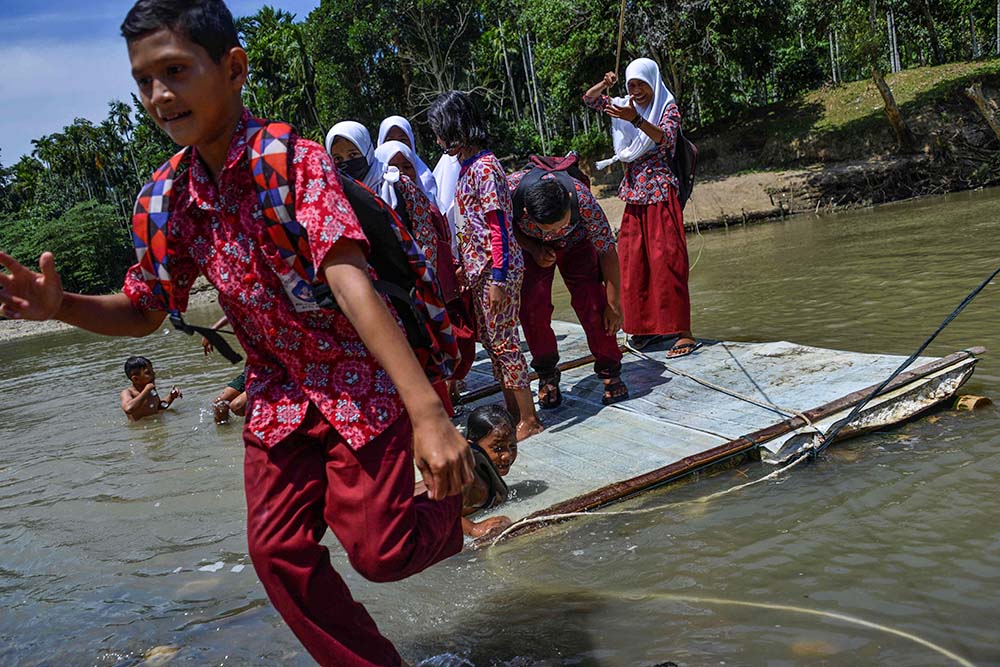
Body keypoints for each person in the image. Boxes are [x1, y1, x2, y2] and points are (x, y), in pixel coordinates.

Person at [0, 2, 473, 665]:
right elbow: (145, 308)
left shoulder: (292, 162)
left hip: (359, 375)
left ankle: (462, 490)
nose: (160, 95)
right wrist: (62, 304)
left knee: (382, 552)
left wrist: (428, 412)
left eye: (175, 70)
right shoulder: (167, 200)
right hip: (278, 393)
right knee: (277, 552)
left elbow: (348, 281)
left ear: (233, 69)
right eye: (143, 80)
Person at [427, 90, 543, 441]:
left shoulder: (485, 167)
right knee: (492, 344)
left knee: (505, 343)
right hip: (480, 270)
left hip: (497, 270)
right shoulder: (466, 168)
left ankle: (529, 417)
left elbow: (499, 227)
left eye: (441, 131)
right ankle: (512, 411)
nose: (438, 139)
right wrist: (465, 265)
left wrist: (497, 276)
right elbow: (470, 224)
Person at [583, 58, 700, 357]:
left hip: (661, 194)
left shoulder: (667, 108)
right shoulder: (624, 104)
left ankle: (682, 332)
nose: (636, 91)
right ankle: (645, 330)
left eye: (641, 85)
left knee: (667, 261)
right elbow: (590, 99)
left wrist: (635, 119)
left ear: (653, 83)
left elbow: (665, 139)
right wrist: (605, 84)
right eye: (631, 85)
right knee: (633, 265)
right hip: (635, 196)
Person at [508, 165, 628, 407]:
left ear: (570, 201)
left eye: (562, 224)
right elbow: (503, 228)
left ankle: (610, 370)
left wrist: (614, 305)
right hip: (532, 247)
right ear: (526, 212)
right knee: (532, 309)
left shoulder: (582, 198)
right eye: (550, 229)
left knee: (594, 304)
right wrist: (533, 248)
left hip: (578, 244)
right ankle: (546, 373)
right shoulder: (509, 192)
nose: (558, 232)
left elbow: (606, 250)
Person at [461, 403, 517, 538]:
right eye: (497, 448)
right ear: (473, 447)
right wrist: (472, 528)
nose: (507, 455)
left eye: (512, 445)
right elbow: (442, 512)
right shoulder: (466, 478)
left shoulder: (486, 479)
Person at [375, 115, 439, 204]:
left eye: (402, 140)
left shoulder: (425, 179)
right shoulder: (372, 186)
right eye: (390, 140)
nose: (396, 144)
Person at [120, 355, 182, 421]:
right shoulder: (128, 392)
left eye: (152, 371)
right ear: (136, 379)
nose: (153, 374)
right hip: (141, 429)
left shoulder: (151, 390)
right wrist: (146, 390)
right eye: (148, 373)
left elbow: (158, 408)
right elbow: (128, 408)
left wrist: (171, 397)